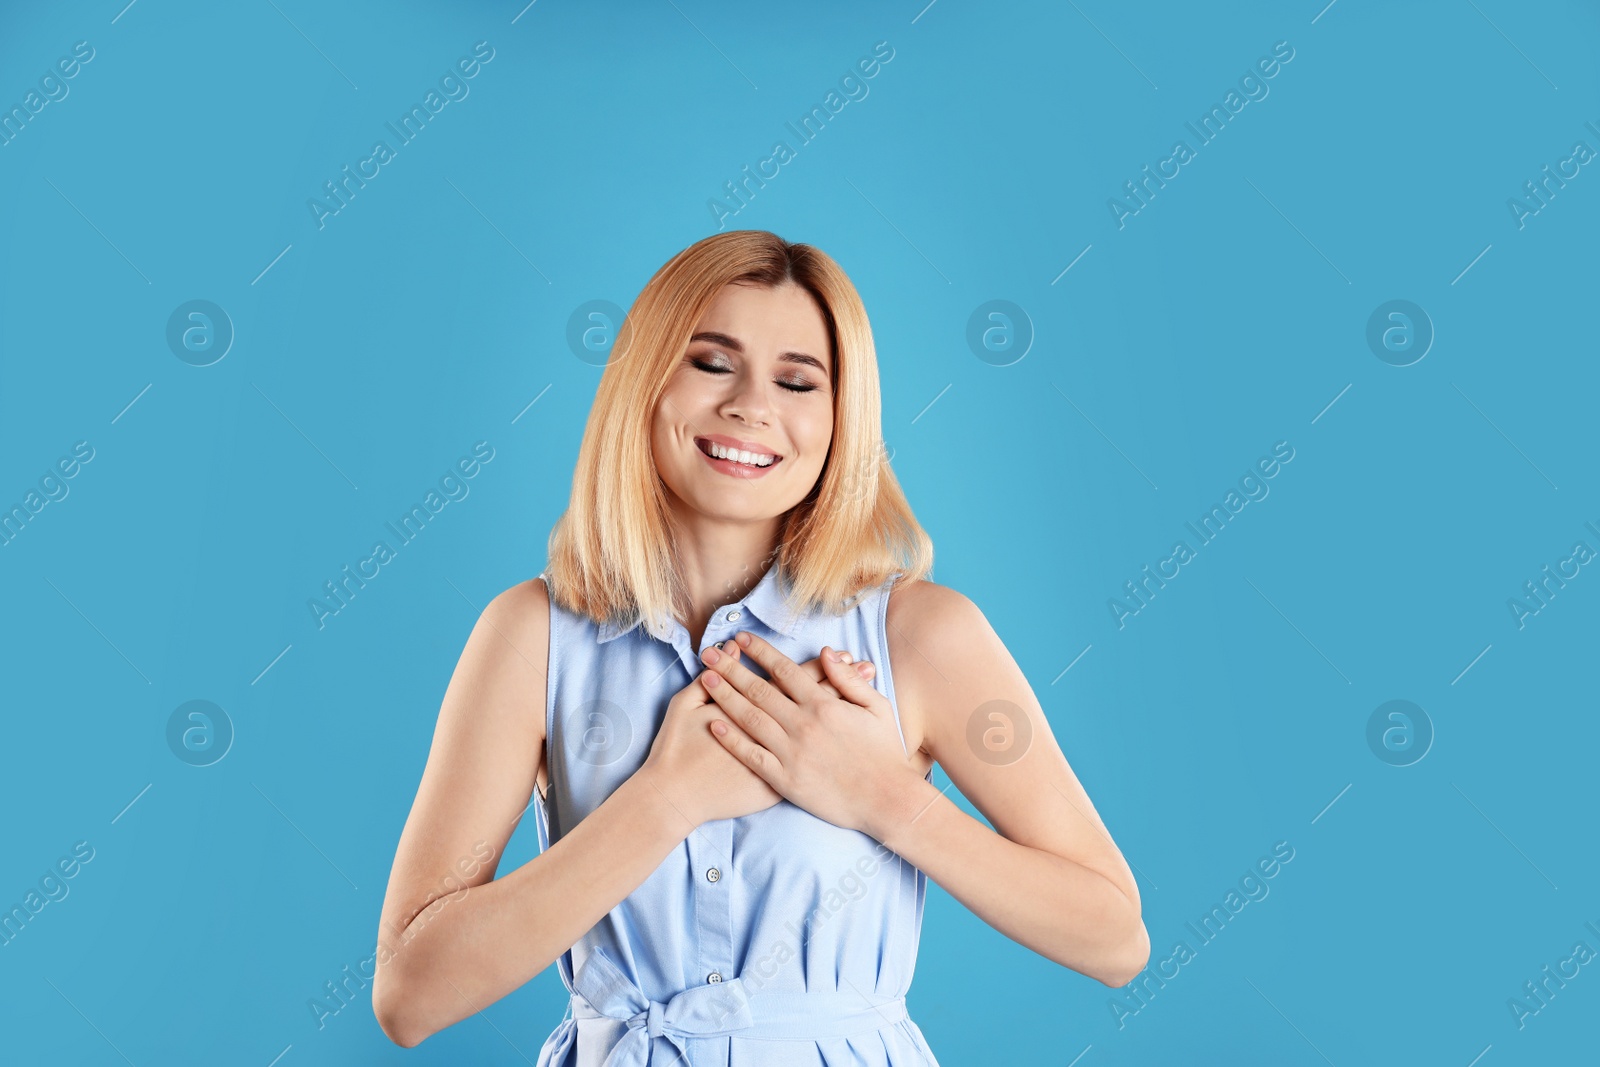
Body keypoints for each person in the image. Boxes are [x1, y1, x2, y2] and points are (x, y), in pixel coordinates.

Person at [371, 230, 1149, 1063]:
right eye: (711, 362)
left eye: (797, 379)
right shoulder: (531, 634)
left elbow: (1113, 937)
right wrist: (664, 801)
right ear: (647, 381)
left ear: (840, 416)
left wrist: (883, 796)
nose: (752, 405)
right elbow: (412, 996)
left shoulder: (922, 636)